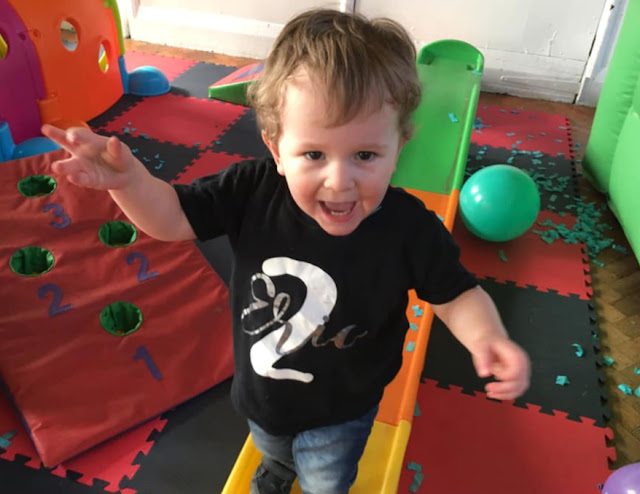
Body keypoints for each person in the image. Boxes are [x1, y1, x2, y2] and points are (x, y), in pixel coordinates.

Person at [42, 8, 530, 494]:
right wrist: (128, 183)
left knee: (325, 479)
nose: (339, 181)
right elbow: (172, 218)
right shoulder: (251, 191)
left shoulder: (408, 227)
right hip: (262, 394)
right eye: (314, 154)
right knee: (272, 446)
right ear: (276, 150)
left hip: (344, 411)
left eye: (365, 155)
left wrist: (486, 336)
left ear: (399, 147)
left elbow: (455, 294)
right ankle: (278, 465)